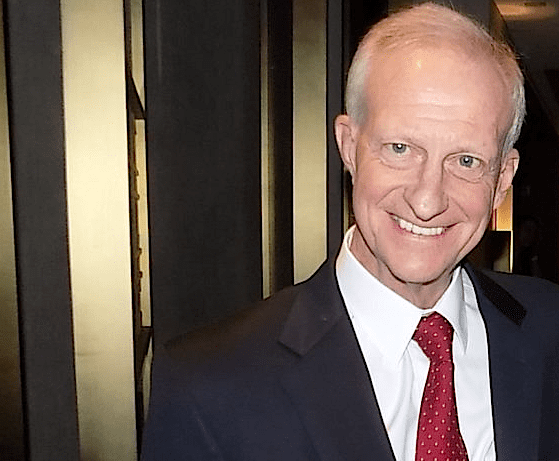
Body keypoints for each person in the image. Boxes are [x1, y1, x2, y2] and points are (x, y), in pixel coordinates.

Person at [140, 3, 559, 460]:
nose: (427, 201)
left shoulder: (549, 328)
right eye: (400, 148)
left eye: (465, 160)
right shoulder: (209, 387)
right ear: (349, 146)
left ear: (502, 179)